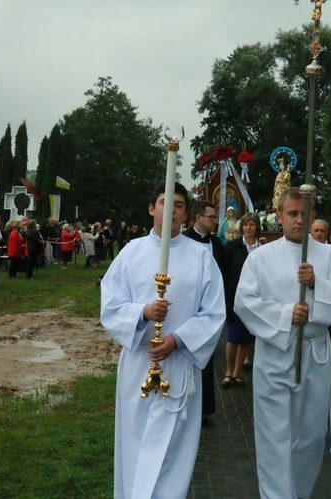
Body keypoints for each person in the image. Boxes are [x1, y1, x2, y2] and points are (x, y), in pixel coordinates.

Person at [100, 182, 225, 498]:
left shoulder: (201, 257)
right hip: (139, 364)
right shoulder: (131, 252)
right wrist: (143, 312)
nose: (171, 209)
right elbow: (110, 305)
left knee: (172, 455)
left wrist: (178, 340)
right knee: (136, 444)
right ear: (152, 208)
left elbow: (213, 313)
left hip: (180, 365)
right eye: (164, 202)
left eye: (179, 204)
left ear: (186, 213)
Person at [234, 187, 331, 499]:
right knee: (274, 434)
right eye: (292, 214)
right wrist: (287, 314)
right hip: (276, 353)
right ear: (279, 216)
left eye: (305, 214)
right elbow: (245, 303)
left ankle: (299, 493)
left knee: (311, 435)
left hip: (314, 354)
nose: (299, 220)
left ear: (314, 216)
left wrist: (317, 285)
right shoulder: (261, 258)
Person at [182, 200, 224, 419]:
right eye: (211, 217)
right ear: (198, 218)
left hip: (209, 307)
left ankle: (205, 409)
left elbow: (223, 274)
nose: (215, 221)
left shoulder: (217, 243)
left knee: (205, 357)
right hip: (187, 305)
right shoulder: (184, 241)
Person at [222, 212, 261, 388]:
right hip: (234, 296)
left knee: (245, 338)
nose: (248, 227)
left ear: (256, 227)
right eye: (245, 224)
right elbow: (225, 272)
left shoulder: (261, 248)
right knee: (232, 337)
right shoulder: (232, 246)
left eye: (251, 224)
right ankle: (228, 371)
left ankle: (238, 372)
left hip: (253, 298)